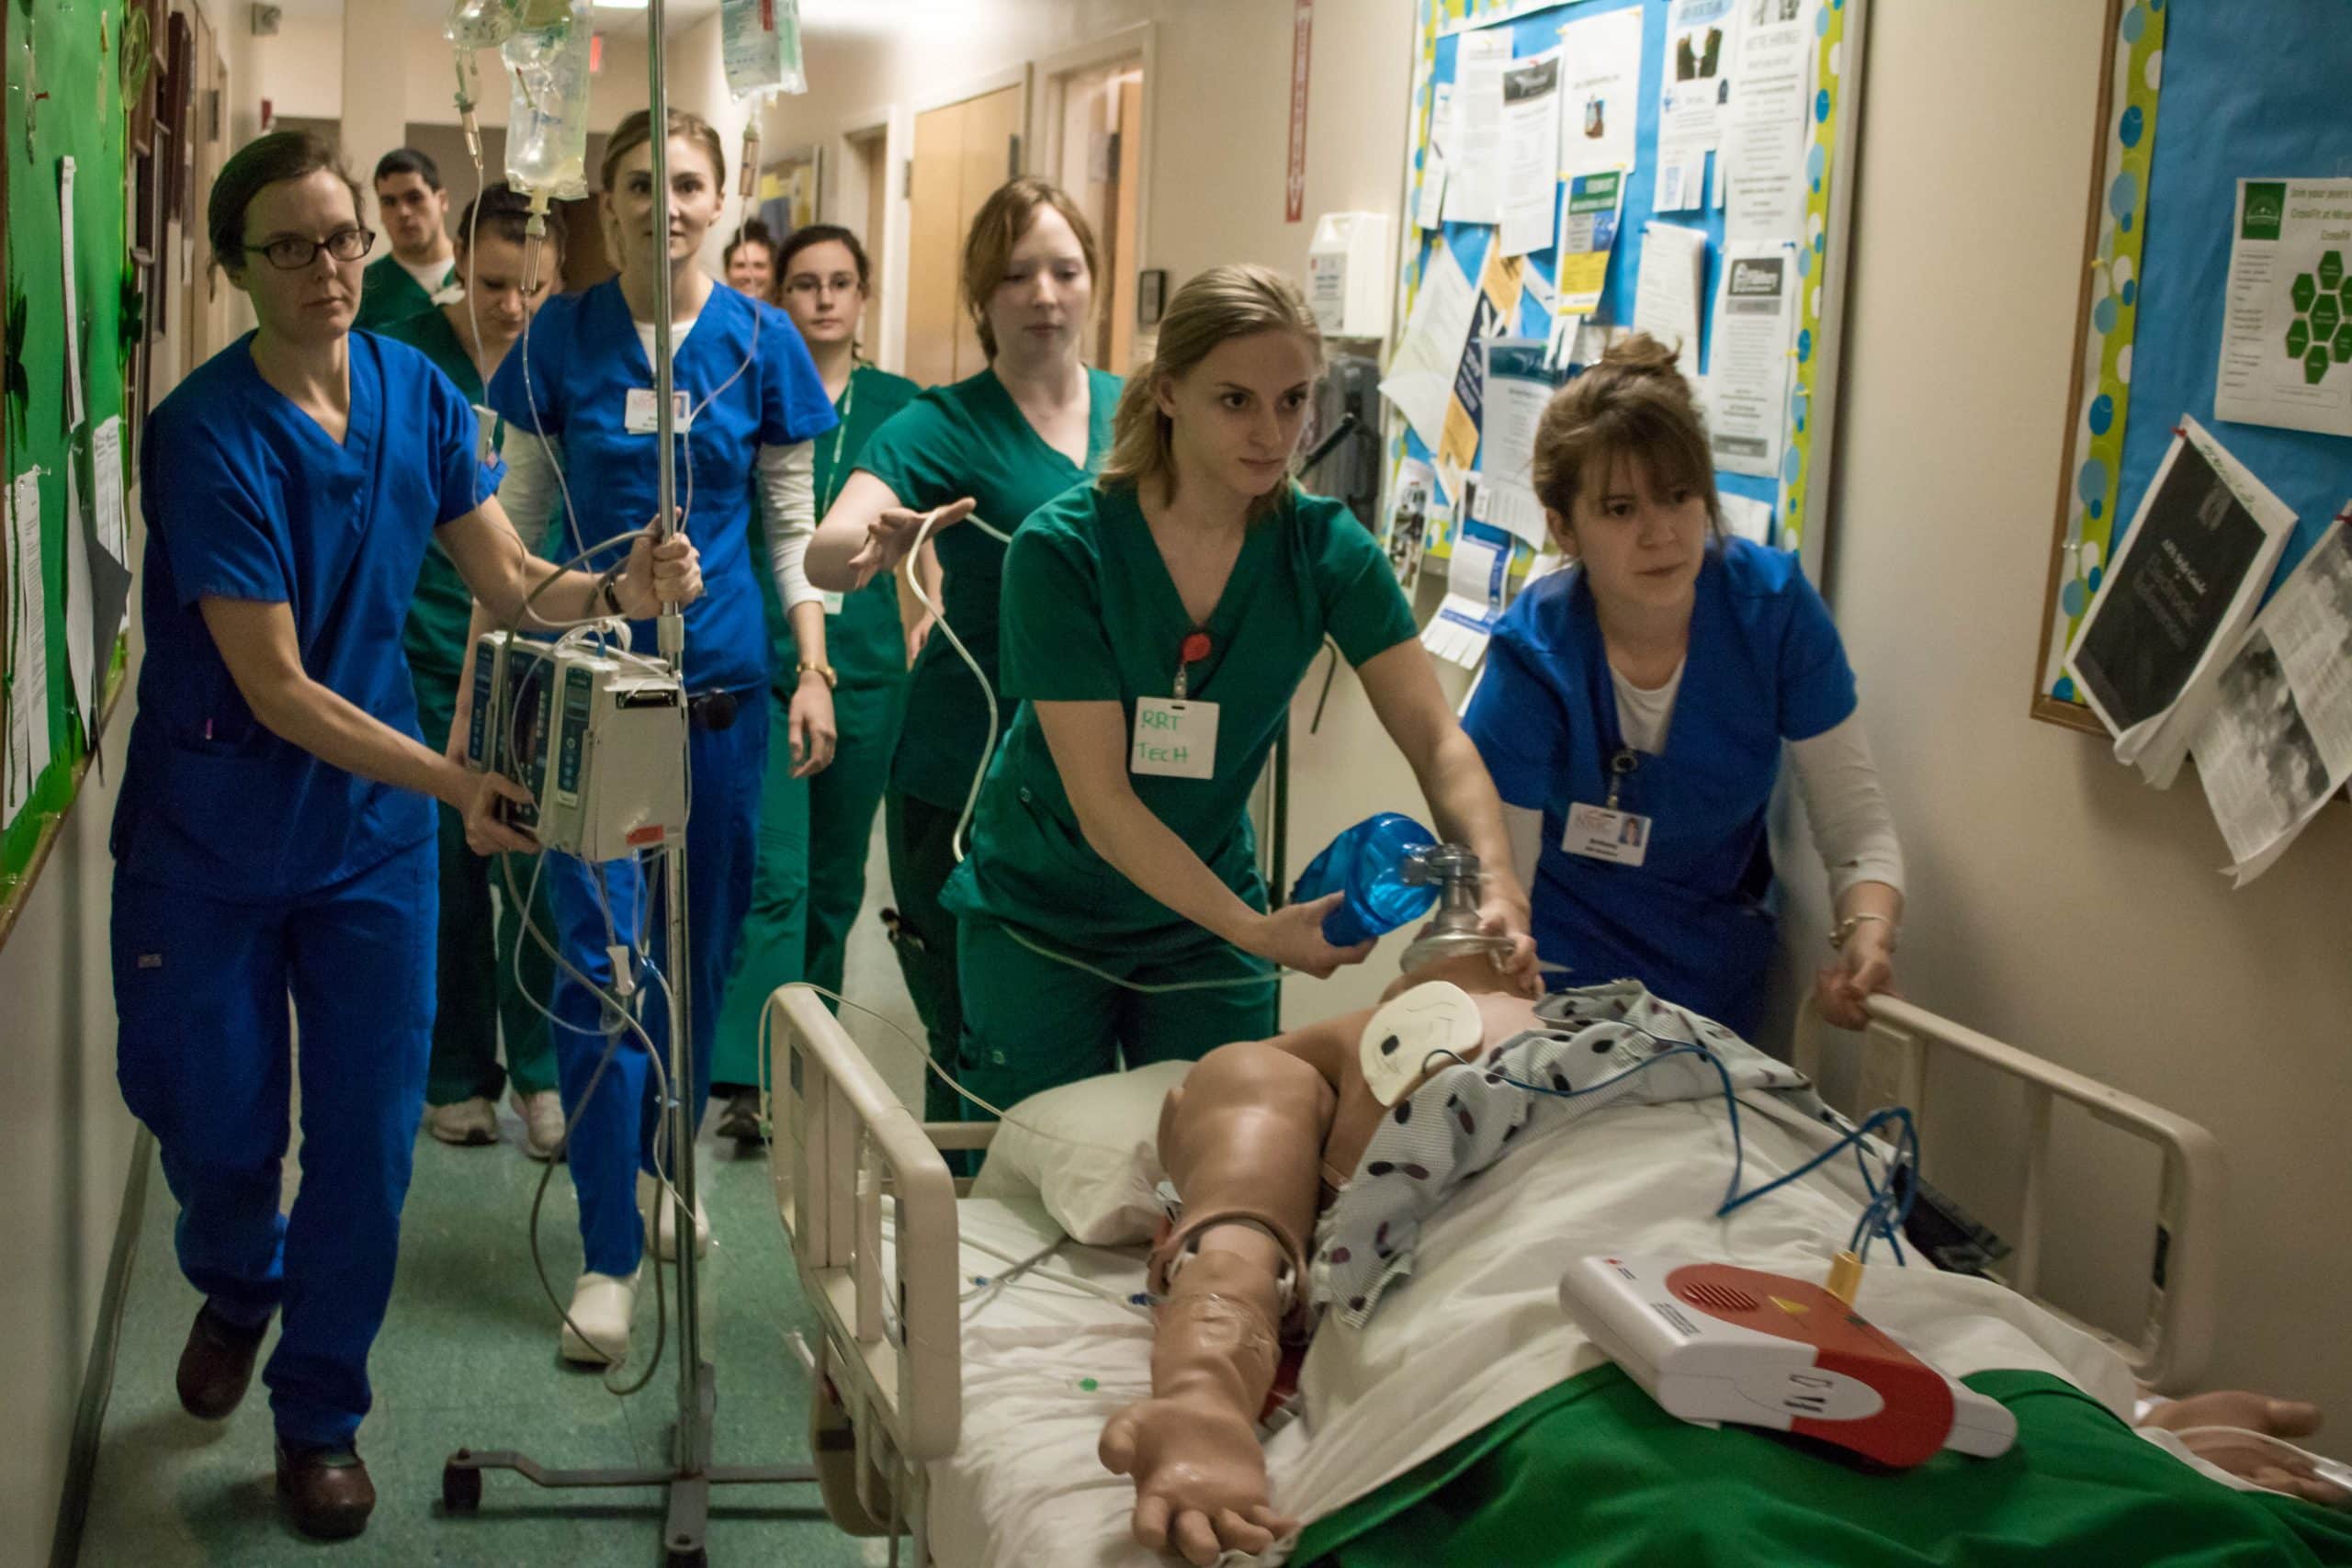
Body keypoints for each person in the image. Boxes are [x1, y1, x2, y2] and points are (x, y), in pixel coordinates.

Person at [111, 130, 700, 1540]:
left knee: (371, 1145)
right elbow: (277, 686)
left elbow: (506, 580)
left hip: (367, 839)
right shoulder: (204, 435)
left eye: (342, 242)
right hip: (214, 838)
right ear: (235, 267)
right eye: (293, 247)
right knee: (212, 1118)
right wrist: (455, 781)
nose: (327, 268)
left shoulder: (418, 395)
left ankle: (321, 1411)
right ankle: (237, 1272)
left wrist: (615, 578)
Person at [1108, 955, 2351, 1564]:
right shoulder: (1314, 1066)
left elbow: (1886, 1244)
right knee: (1691, 1520)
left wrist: (2122, 1410)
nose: (1486, 938)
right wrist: (1205, 1390)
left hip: (1839, 1268)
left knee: (2152, 1514)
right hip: (1557, 1275)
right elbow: (1238, 1230)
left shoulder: (1687, 1031)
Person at [926, 265, 1537, 1116]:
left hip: (1203, 924)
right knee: (1039, 1181)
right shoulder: (1064, 551)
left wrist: (1495, 879)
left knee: (1228, 1158)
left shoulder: (1324, 552)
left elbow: (1438, 738)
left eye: (1293, 401)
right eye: (1236, 401)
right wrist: (1254, 929)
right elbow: (1102, 805)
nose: (1272, 433)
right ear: (1168, 392)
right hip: (1043, 916)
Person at [475, 107, 837, 1366]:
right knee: (599, 961)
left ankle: (666, 1162)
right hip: (592, 696)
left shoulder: (760, 341)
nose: (666, 204)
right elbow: (511, 538)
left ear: (727, 195)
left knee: (700, 946)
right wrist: (511, 679)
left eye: (688, 183)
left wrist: (815, 666)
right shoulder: (556, 342)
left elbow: (790, 522)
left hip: (725, 694)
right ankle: (606, 1251)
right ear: (602, 194)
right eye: (640, 183)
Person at [1463, 333, 1903, 1039]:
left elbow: (1858, 832)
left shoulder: (1774, 613)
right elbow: (1504, 882)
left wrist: (1868, 933)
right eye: (1619, 509)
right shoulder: (1535, 654)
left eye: (1678, 496)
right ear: (1562, 527)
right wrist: (1511, 985)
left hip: (1712, 980)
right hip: (1554, 977)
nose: (1661, 532)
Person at [806, 176, 1120, 1132]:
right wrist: (867, 545)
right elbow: (827, 545)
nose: (1043, 294)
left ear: (1092, 283)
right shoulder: (941, 425)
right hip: (968, 774)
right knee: (977, 1038)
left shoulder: (1143, 412)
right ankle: (962, 1252)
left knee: (1095, 1030)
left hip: (1113, 772)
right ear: (982, 296)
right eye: (1016, 274)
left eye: (1065, 270)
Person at [709, 223, 922, 1142]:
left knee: (835, 881)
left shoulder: (906, 408)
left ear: (864, 295)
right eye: (805, 283)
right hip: (768, 653)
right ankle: (748, 1071)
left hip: (871, 667)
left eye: (841, 282)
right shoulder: (748, 387)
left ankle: (812, 1055)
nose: (824, 298)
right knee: (773, 872)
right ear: (776, 297)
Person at [379, 183, 569, 1157]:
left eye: (534, 288)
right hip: (422, 632)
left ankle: (542, 1072)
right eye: (494, 284)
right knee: (450, 866)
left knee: (535, 863)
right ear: (458, 256)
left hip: (536, 646)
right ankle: (457, 1073)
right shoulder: (406, 354)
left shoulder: (565, 358)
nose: (512, 308)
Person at [353, 147, 456, 333]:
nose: (403, 212)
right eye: (389, 202)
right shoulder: (365, 287)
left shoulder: (479, 276)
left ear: (442, 201)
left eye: (414, 198)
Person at [722, 220, 779, 303]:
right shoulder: (710, 313)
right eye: (740, 266)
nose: (749, 275)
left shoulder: (789, 315)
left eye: (759, 266)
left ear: (774, 272)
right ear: (726, 272)